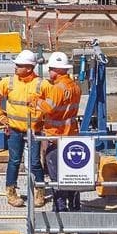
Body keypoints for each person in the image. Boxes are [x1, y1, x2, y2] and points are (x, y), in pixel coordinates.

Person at [0, 49, 48, 207]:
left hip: (34, 130)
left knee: (35, 162)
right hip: (15, 130)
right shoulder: (8, 82)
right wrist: (2, 118)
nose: (15, 68)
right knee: (14, 161)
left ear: (29, 68)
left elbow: (51, 105)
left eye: (19, 65)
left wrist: (45, 122)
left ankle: (40, 192)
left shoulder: (41, 84)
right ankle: (11, 192)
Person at [35, 52, 84, 212]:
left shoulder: (57, 89)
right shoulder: (75, 87)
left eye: (50, 69)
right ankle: (75, 206)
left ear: (56, 69)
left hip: (56, 136)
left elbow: (49, 108)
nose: (49, 72)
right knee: (71, 173)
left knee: (56, 175)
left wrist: (36, 100)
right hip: (71, 136)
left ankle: (60, 208)